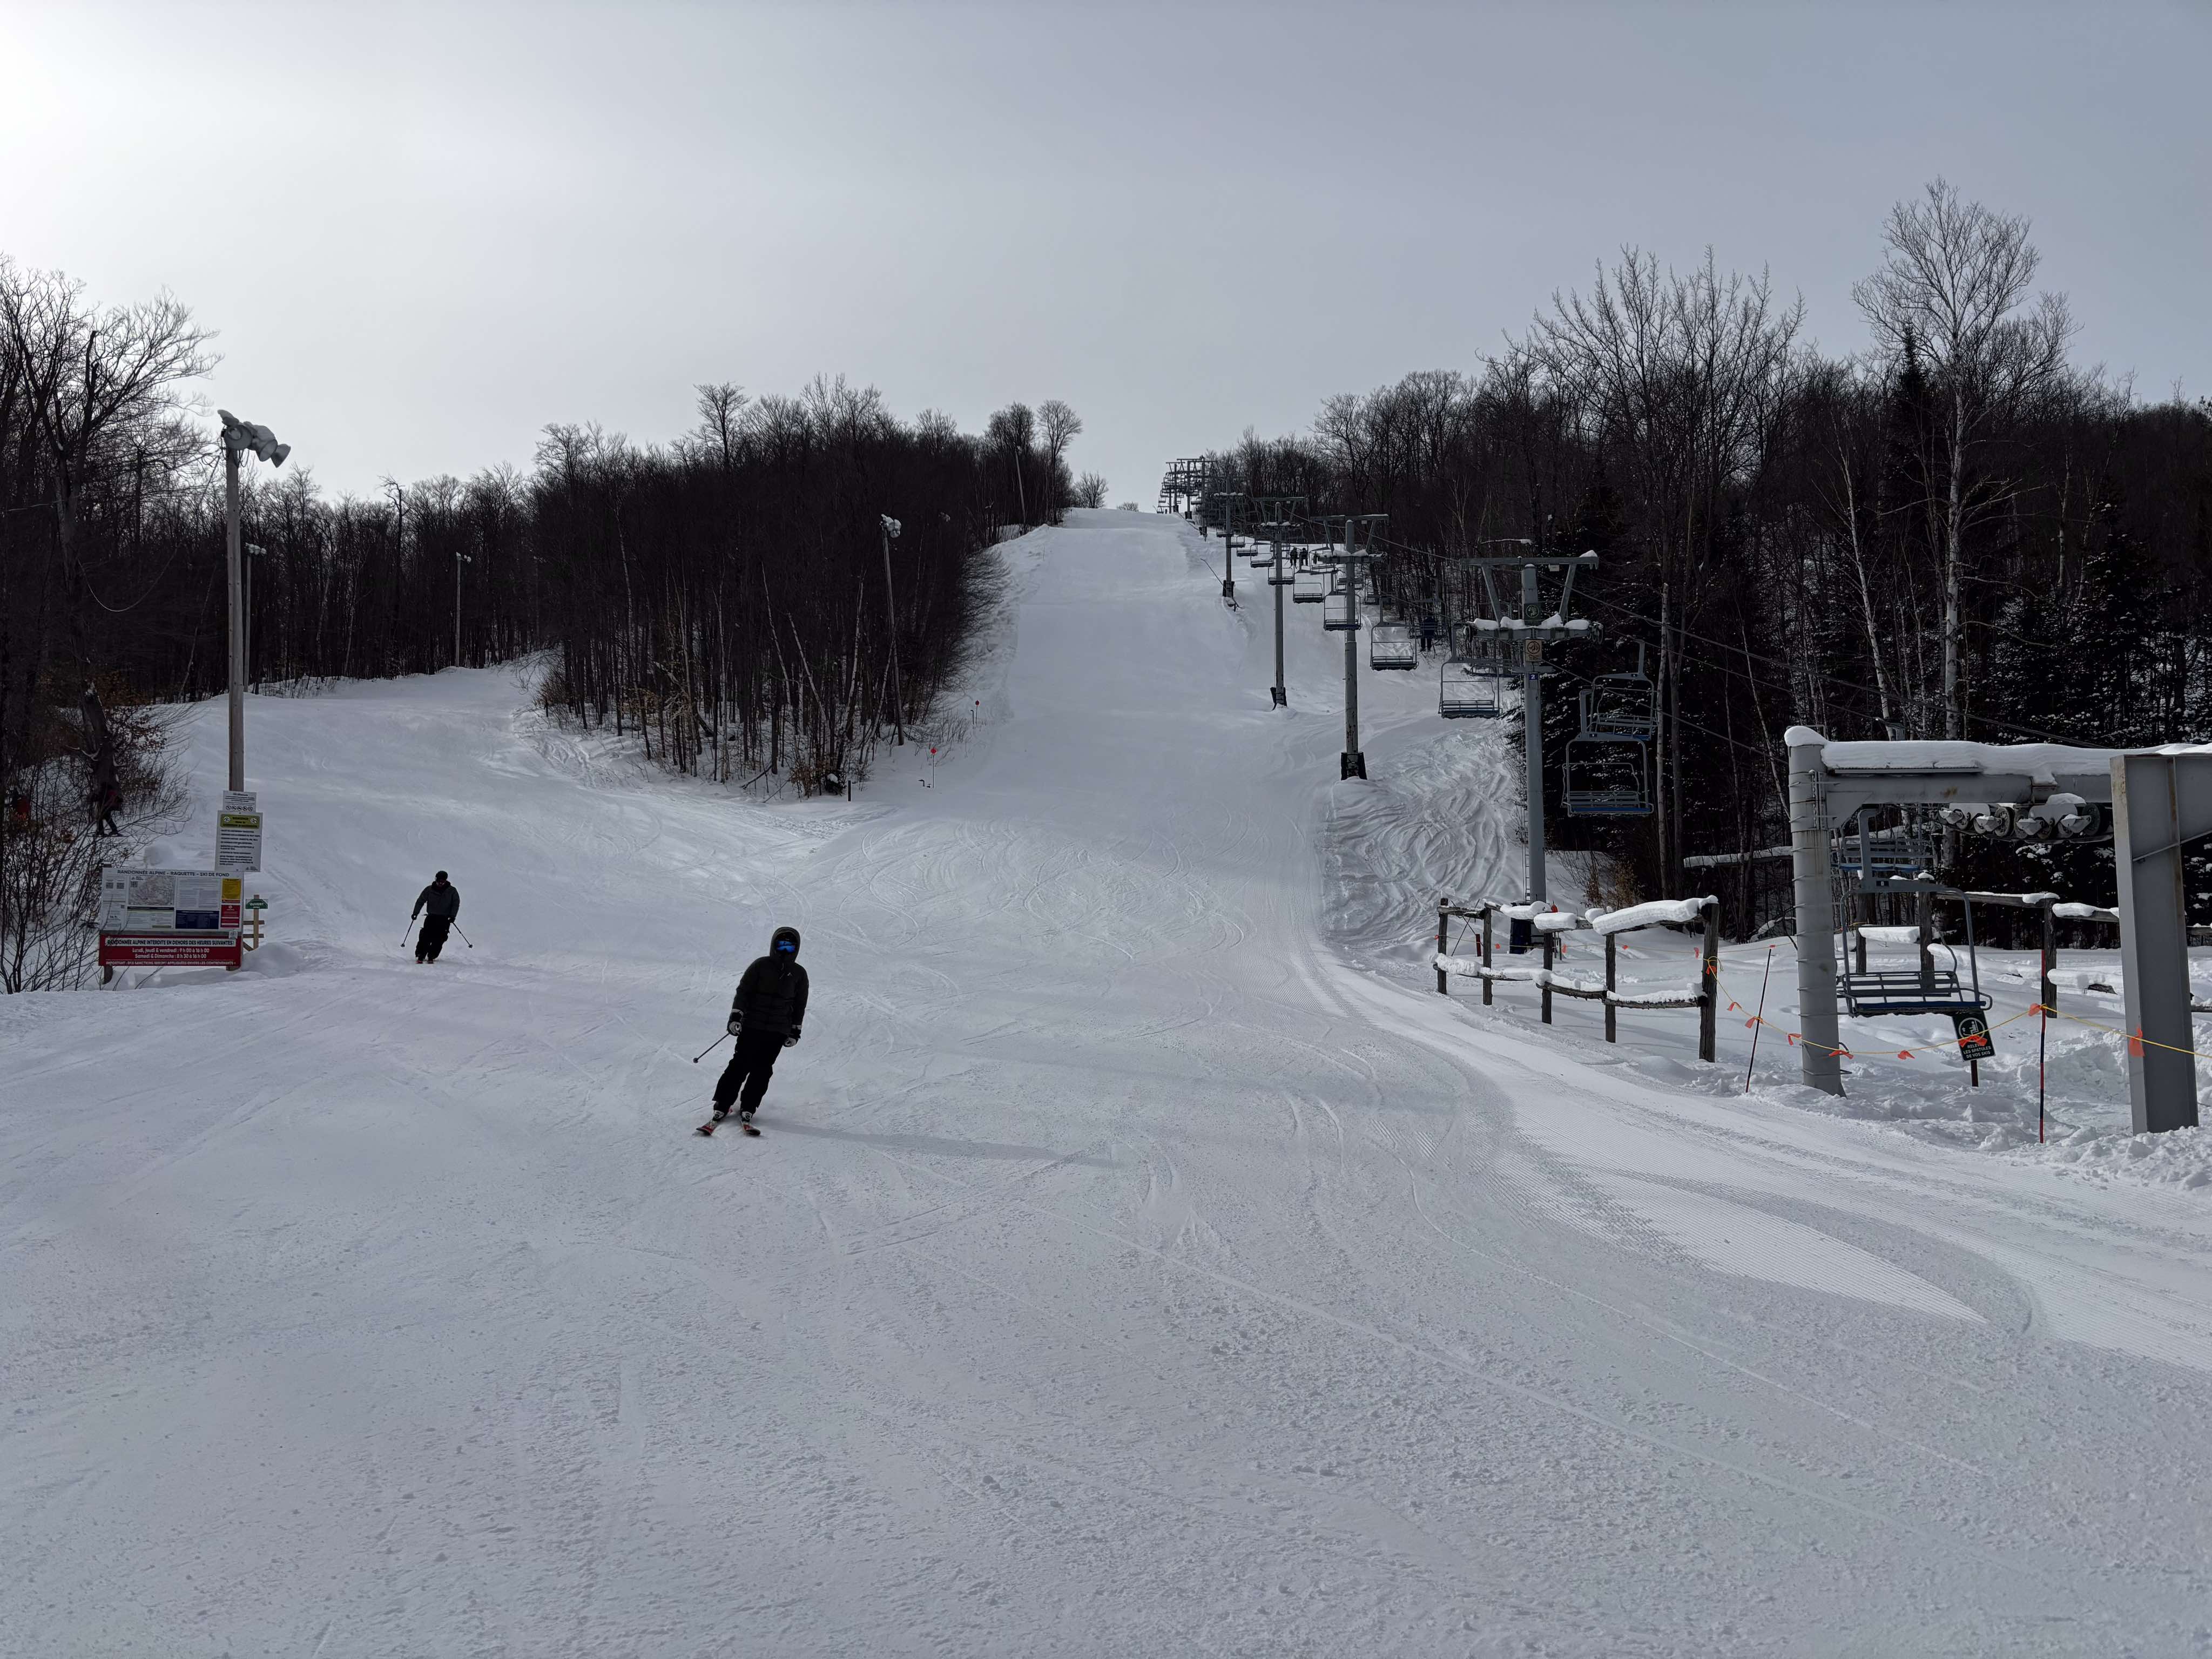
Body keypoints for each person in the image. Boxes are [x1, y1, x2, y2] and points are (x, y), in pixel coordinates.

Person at [708, 926, 808, 1129]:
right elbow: (744, 991)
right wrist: (736, 1016)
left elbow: (800, 1004)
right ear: (774, 945)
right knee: (740, 1064)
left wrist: (795, 1030)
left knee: (762, 1069)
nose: (785, 950)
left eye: (790, 947)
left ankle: (749, 1106)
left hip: (778, 1030)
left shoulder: (799, 974)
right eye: (782, 945)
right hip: (752, 1025)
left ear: (796, 949)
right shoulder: (761, 966)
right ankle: (723, 1103)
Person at [411, 871, 461, 963]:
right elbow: (420, 901)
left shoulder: (452, 891)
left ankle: (432, 955)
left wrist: (452, 916)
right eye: (439, 881)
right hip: (431, 917)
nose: (441, 883)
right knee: (425, 936)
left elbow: (456, 904)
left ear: (446, 881)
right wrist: (415, 913)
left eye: (443, 882)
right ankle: (421, 954)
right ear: (436, 879)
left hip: (444, 919)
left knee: (440, 938)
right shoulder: (429, 890)